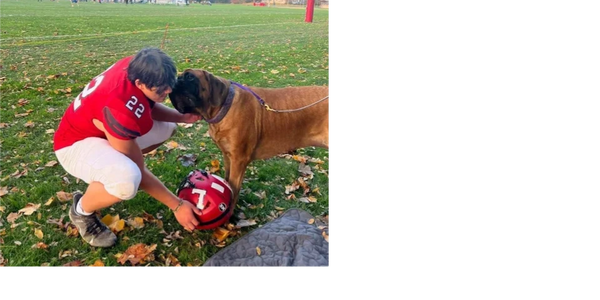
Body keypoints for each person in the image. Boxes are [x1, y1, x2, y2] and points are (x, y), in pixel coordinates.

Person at [53, 47, 203, 248]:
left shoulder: (137, 67)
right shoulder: (118, 109)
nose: (168, 91)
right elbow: (138, 169)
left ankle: (112, 166)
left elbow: (143, 104)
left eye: (169, 84)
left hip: (101, 128)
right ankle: (81, 210)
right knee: (128, 179)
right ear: (140, 82)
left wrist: (182, 117)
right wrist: (177, 206)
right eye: (161, 88)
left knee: (167, 129)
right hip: (74, 145)